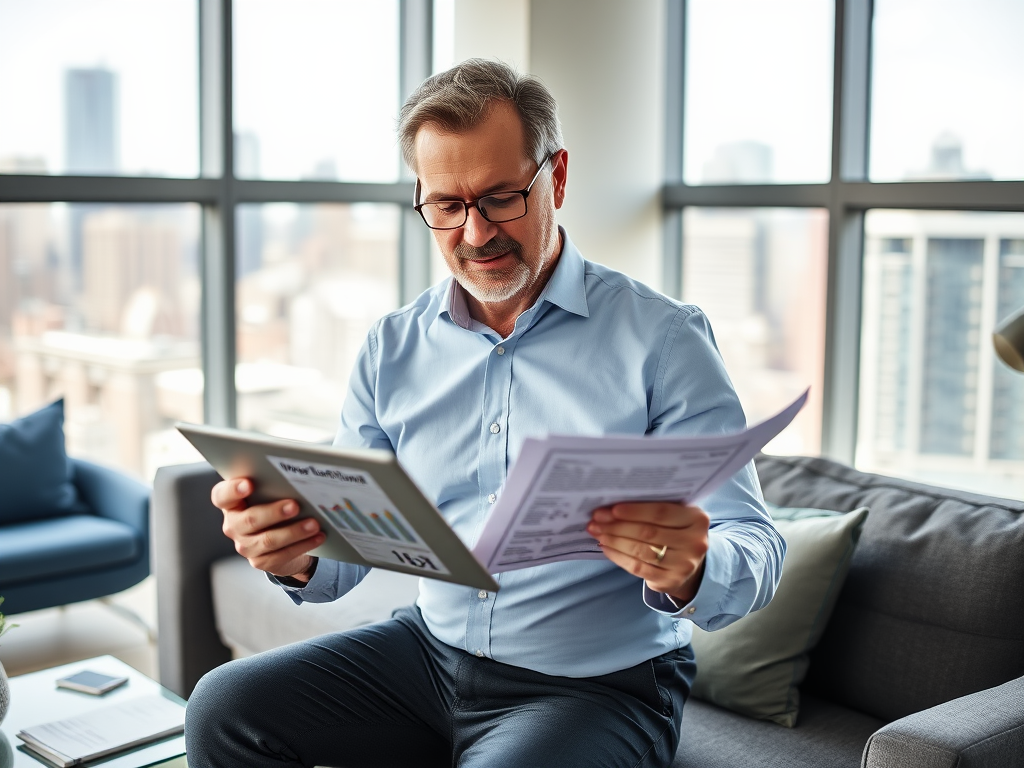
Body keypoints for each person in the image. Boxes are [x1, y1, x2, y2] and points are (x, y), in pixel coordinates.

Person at [185, 59, 785, 768]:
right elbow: (344, 555)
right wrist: (292, 554)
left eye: (502, 198)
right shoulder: (392, 347)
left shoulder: (663, 339)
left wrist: (692, 567)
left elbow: (757, 544)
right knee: (224, 707)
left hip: (597, 688)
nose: (475, 235)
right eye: (447, 205)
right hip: (429, 655)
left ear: (555, 177)